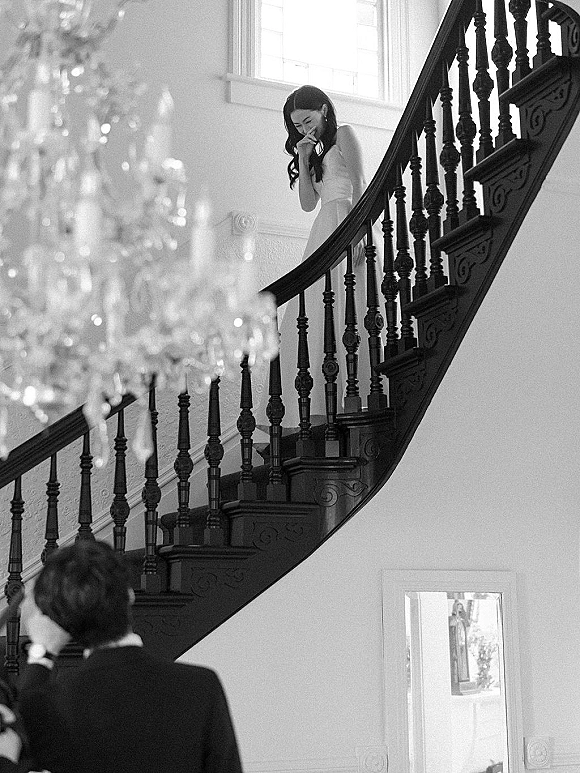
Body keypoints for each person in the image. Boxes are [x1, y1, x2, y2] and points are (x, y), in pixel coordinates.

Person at [17, 540, 243, 773]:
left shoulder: (49, 702)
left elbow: (17, 747)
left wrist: (42, 650)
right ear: (130, 595)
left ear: (61, 621)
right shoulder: (200, 685)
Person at [261, 85, 383, 429]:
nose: (304, 128)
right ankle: (320, 405)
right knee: (317, 309)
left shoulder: (344, 134)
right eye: (297, 125)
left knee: (354, 303)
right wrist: (303, 157)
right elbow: (307, 203)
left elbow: (361, 182)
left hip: (349, 220)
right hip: (323, 228)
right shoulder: (312, 151)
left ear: (324, 110)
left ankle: (359, 396)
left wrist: (359, 231)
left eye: (308, 120)